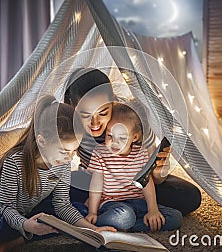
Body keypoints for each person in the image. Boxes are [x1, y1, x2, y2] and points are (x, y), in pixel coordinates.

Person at [0, 95, 115, 252]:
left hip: (28, 212)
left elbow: (62, 205)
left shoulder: (63, 164)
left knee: (79, 212)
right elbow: (5, 206)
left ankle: (21, 239)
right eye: (64, 151)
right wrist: (26, 224)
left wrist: (92, 230)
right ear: (41, 141)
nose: (70, 157)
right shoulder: (14, 162)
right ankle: (29, 231)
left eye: (74, 150)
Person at [64, 68, 201, 216]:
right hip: (95, 183)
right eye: (85, 114)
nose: (95, 123)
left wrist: (158, 173)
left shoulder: (133, 118)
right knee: (51, 191)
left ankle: (121, 213)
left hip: (136, 185)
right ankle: (115, 212)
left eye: (103, 113)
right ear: (72, 105)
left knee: (190, 196)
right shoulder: (67, 121)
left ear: (113, 101)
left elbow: (153, 179)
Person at [78, 102, 182, 232]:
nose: (114, 142)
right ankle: (94, 223)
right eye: (110, 136)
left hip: (138, 202)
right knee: (124, 216)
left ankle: (127, 227)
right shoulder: (100, 153)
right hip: (112, 204)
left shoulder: (142, 152)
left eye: (122, 138)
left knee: (175, 217)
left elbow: (147, 182)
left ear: (134, 137)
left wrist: (153, 210)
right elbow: (96, 184)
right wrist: (93, 211)